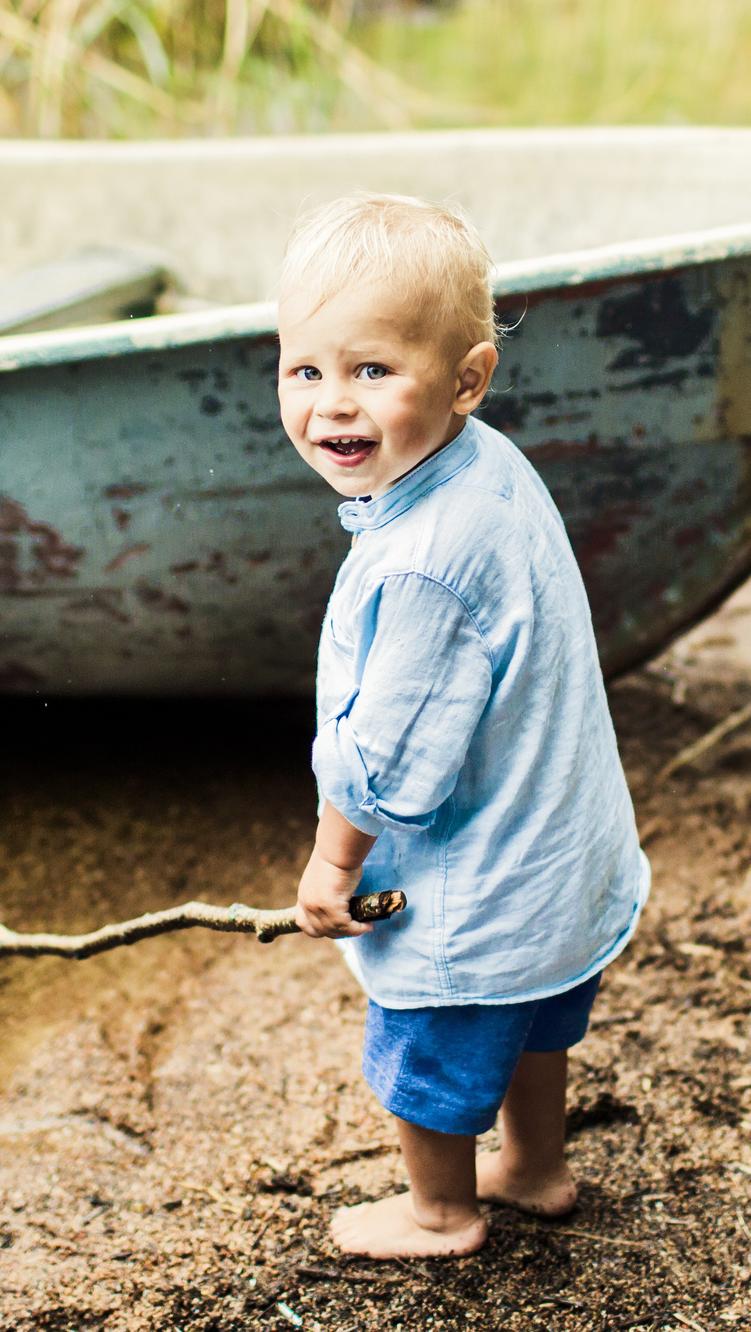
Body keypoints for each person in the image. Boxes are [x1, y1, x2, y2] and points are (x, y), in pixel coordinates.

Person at [278, 193, 649, 1259]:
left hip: (481, 882)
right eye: (306, 371)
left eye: (372, 372)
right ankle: (536, 1167)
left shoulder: (423, 561)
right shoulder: (484, 462)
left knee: (427, 1051)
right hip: (559, 851)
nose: (332, 408)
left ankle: (439, 1210)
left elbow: (390, 767)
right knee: (533, 1021)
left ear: (466, 377)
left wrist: (330, 863)